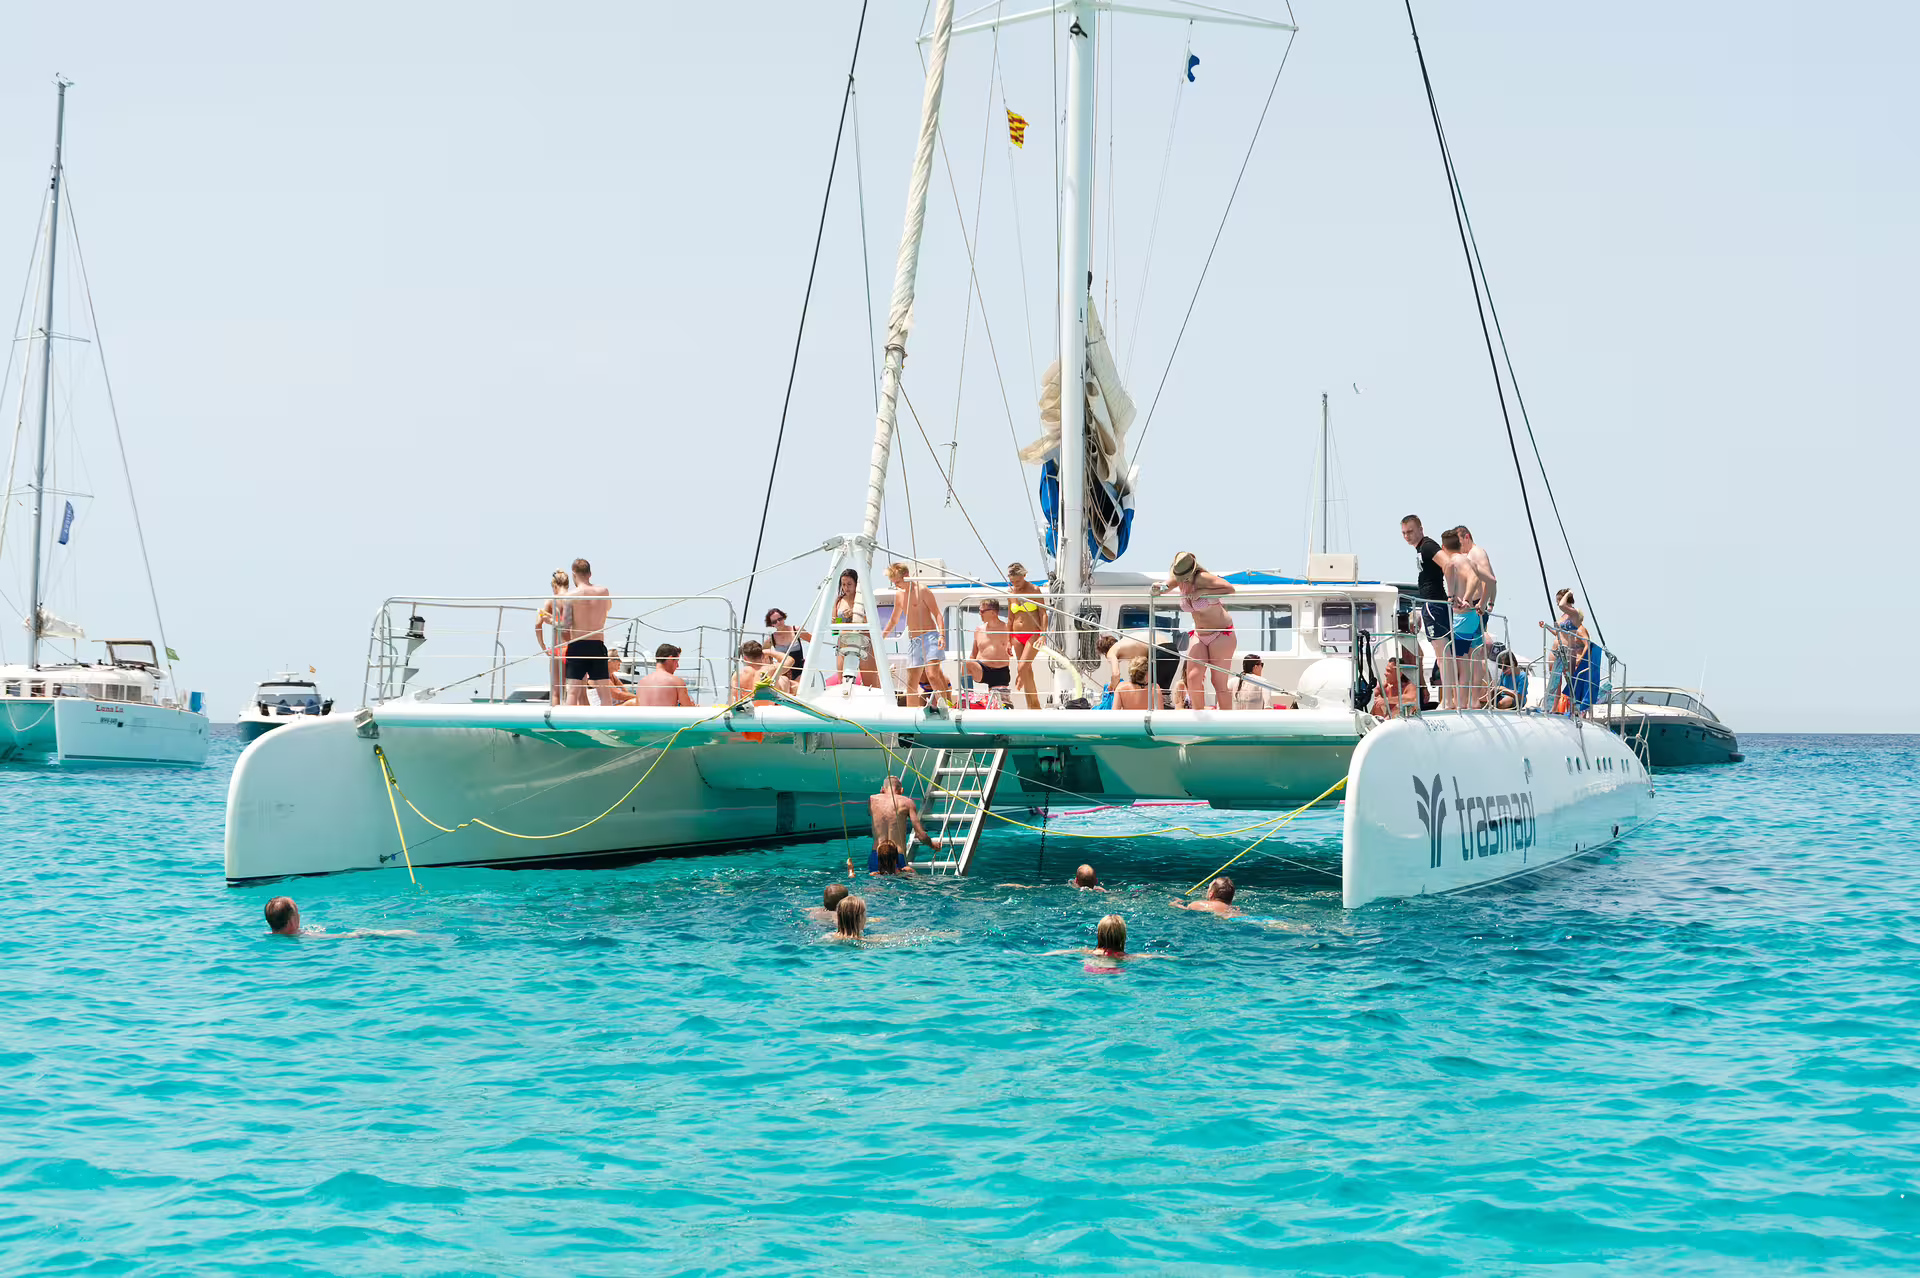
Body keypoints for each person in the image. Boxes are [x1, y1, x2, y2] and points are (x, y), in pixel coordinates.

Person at [1155, 552, 1236, 711]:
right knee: (1192, 677)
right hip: (1199, 634)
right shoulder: (1179, 579)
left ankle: (1227, 721)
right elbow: (1164, 587)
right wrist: (1156, 589)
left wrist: (1203, 592)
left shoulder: (1202, 578)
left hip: (1221, 633)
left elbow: (1230, 589)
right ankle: (1198, 718)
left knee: (1218, 681)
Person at [881, 562, 951, 706]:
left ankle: (945, 708)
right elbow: (894, 619)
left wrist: (942, 635)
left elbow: (937, 614)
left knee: (932, 675)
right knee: (912, 681)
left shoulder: (923, 590)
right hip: (914, 640)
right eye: (893, 583)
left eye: (898, 582)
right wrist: (882, 636)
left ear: (906, 576)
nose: (896, 585)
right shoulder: (899, 595)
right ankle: (910, 714)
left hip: (930, 637)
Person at [1440, 528, 1489, 708]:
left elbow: (1474, 579)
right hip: (1473, 616)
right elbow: (1490, 580)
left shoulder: (1453, 562)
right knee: (1469, 660)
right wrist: (1484, 603)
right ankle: (1470, 701)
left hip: (1463, 618)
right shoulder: (1467, 560)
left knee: (1460, 662)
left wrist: (1466, 598)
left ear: (1443, 547)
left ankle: (1460, 702)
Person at [1401, 516, 1450, 695]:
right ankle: (1450, 698)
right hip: (1433, 604)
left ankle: (1450, 700)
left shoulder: (1428, 546)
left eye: (1411, 531)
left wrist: (1451, 594)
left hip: (1435, 604)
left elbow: (1449, 564)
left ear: (1421, 529)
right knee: (1443, 656)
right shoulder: (1420, 549)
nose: (1407, 536)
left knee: (1443, 656)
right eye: (1404, 533)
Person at [561, 558, 617, 707]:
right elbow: (608, 608)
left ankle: (568, 725)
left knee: (573, 691)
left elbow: (565, 625)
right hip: (597, 644)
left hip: (577, 645)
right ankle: (607, 725)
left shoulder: (570, 596)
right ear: (590, 574)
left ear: (574, 574)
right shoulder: (603, 592)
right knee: (604, 692)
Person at [868, 775, 940, 870]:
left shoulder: (872, 800)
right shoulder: (907, 802)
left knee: (875, 882)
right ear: (901, 790)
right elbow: (920, 835)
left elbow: (871, 814)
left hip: (877, 853)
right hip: (897, 855)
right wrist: (932, 844)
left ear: (882, 789)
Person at [264, 896, 414, 939]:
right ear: (291, 921)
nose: (300, 915)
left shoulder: (267, 936)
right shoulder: (304, 936)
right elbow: (337, 937)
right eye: (297, 912)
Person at [1043, 915, 1171, 964]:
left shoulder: (1090, 952)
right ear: (1122, 937)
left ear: (1099, 935)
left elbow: (1064, 952)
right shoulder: (1124, 957)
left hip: (1091, 969)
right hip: (1115, 972)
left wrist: (1038, 955)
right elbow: (1149, 956)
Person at [1005, 562, 1046, 710]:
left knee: (1023, 667)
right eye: (1012, 582)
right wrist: (1008, 640)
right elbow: (1010, 619)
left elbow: (1043, 613)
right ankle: (1033, 706)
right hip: (1016, 636)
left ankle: (1034, 705)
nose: (1015, 584)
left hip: (1033, 634)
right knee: (1027, 670)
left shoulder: (1034, 590)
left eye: (1018, 581)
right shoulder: (1011, 594)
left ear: (1024, 575)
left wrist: (1043, 634)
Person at [831, 569, 880, 688]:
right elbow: (835, 631)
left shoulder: (864, 601)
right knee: (842, 680)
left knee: (870, 682)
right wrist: (838, 621)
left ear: (856, 584)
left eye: (849, 584)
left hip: (864, 643)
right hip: (844, 643)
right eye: (843, 584)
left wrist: (855, 613)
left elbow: (873, 622)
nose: (846, 588)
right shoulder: (838, 601)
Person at [966, 599, 1013, 707]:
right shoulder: (979, 630)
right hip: (983, 669)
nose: (979, 614)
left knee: (1002, 706)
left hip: (1000, 671)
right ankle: (967, 696)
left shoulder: (1006, 629)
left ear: (993, 612)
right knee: (965, 664)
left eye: (982, 611)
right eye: (979, 611)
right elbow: (973, 654)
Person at [534, 568, 570, 703]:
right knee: (576, 691)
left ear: (554, 586)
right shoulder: (575, 598)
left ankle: (556, 720)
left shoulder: (550, 601)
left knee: (556, 691)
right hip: (574, 647)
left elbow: (538, 625)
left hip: (558, 648)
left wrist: (543, 646)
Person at [633, 643, 695, 708]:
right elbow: (689, 712)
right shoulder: (677, 682)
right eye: (677, 661)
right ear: (670, 659)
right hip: (667, 718)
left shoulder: (642, 682)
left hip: (644, 718)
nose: (677, 666)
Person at [1456, 525, 1497, 613]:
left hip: (1475, 607)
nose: (1458, 546)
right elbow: (1492, 578)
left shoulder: (1476, 552)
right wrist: (1491, 603)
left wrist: (1483, 603)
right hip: (1471, 607)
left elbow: (1491, 580)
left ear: (1467, 537)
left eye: (1459, 543)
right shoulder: (1469, 554)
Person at [766, 607, 812, 684]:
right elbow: (764, 654)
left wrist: (810, 661)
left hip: (800, 671)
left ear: (783, 618)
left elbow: (813, 641)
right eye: (774, 621)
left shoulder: (796, 630)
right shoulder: (772, 638)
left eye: (780, 619)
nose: (778, 622)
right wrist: (771, 665)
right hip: (783, 674)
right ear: (771, 624)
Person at [1172, 876, 1241, 917]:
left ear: (1211, 894)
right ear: (1231, 899)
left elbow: (1186, 909)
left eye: (1208, 888)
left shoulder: (1198, 904)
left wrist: (1176, 904)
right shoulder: (1234, 909)